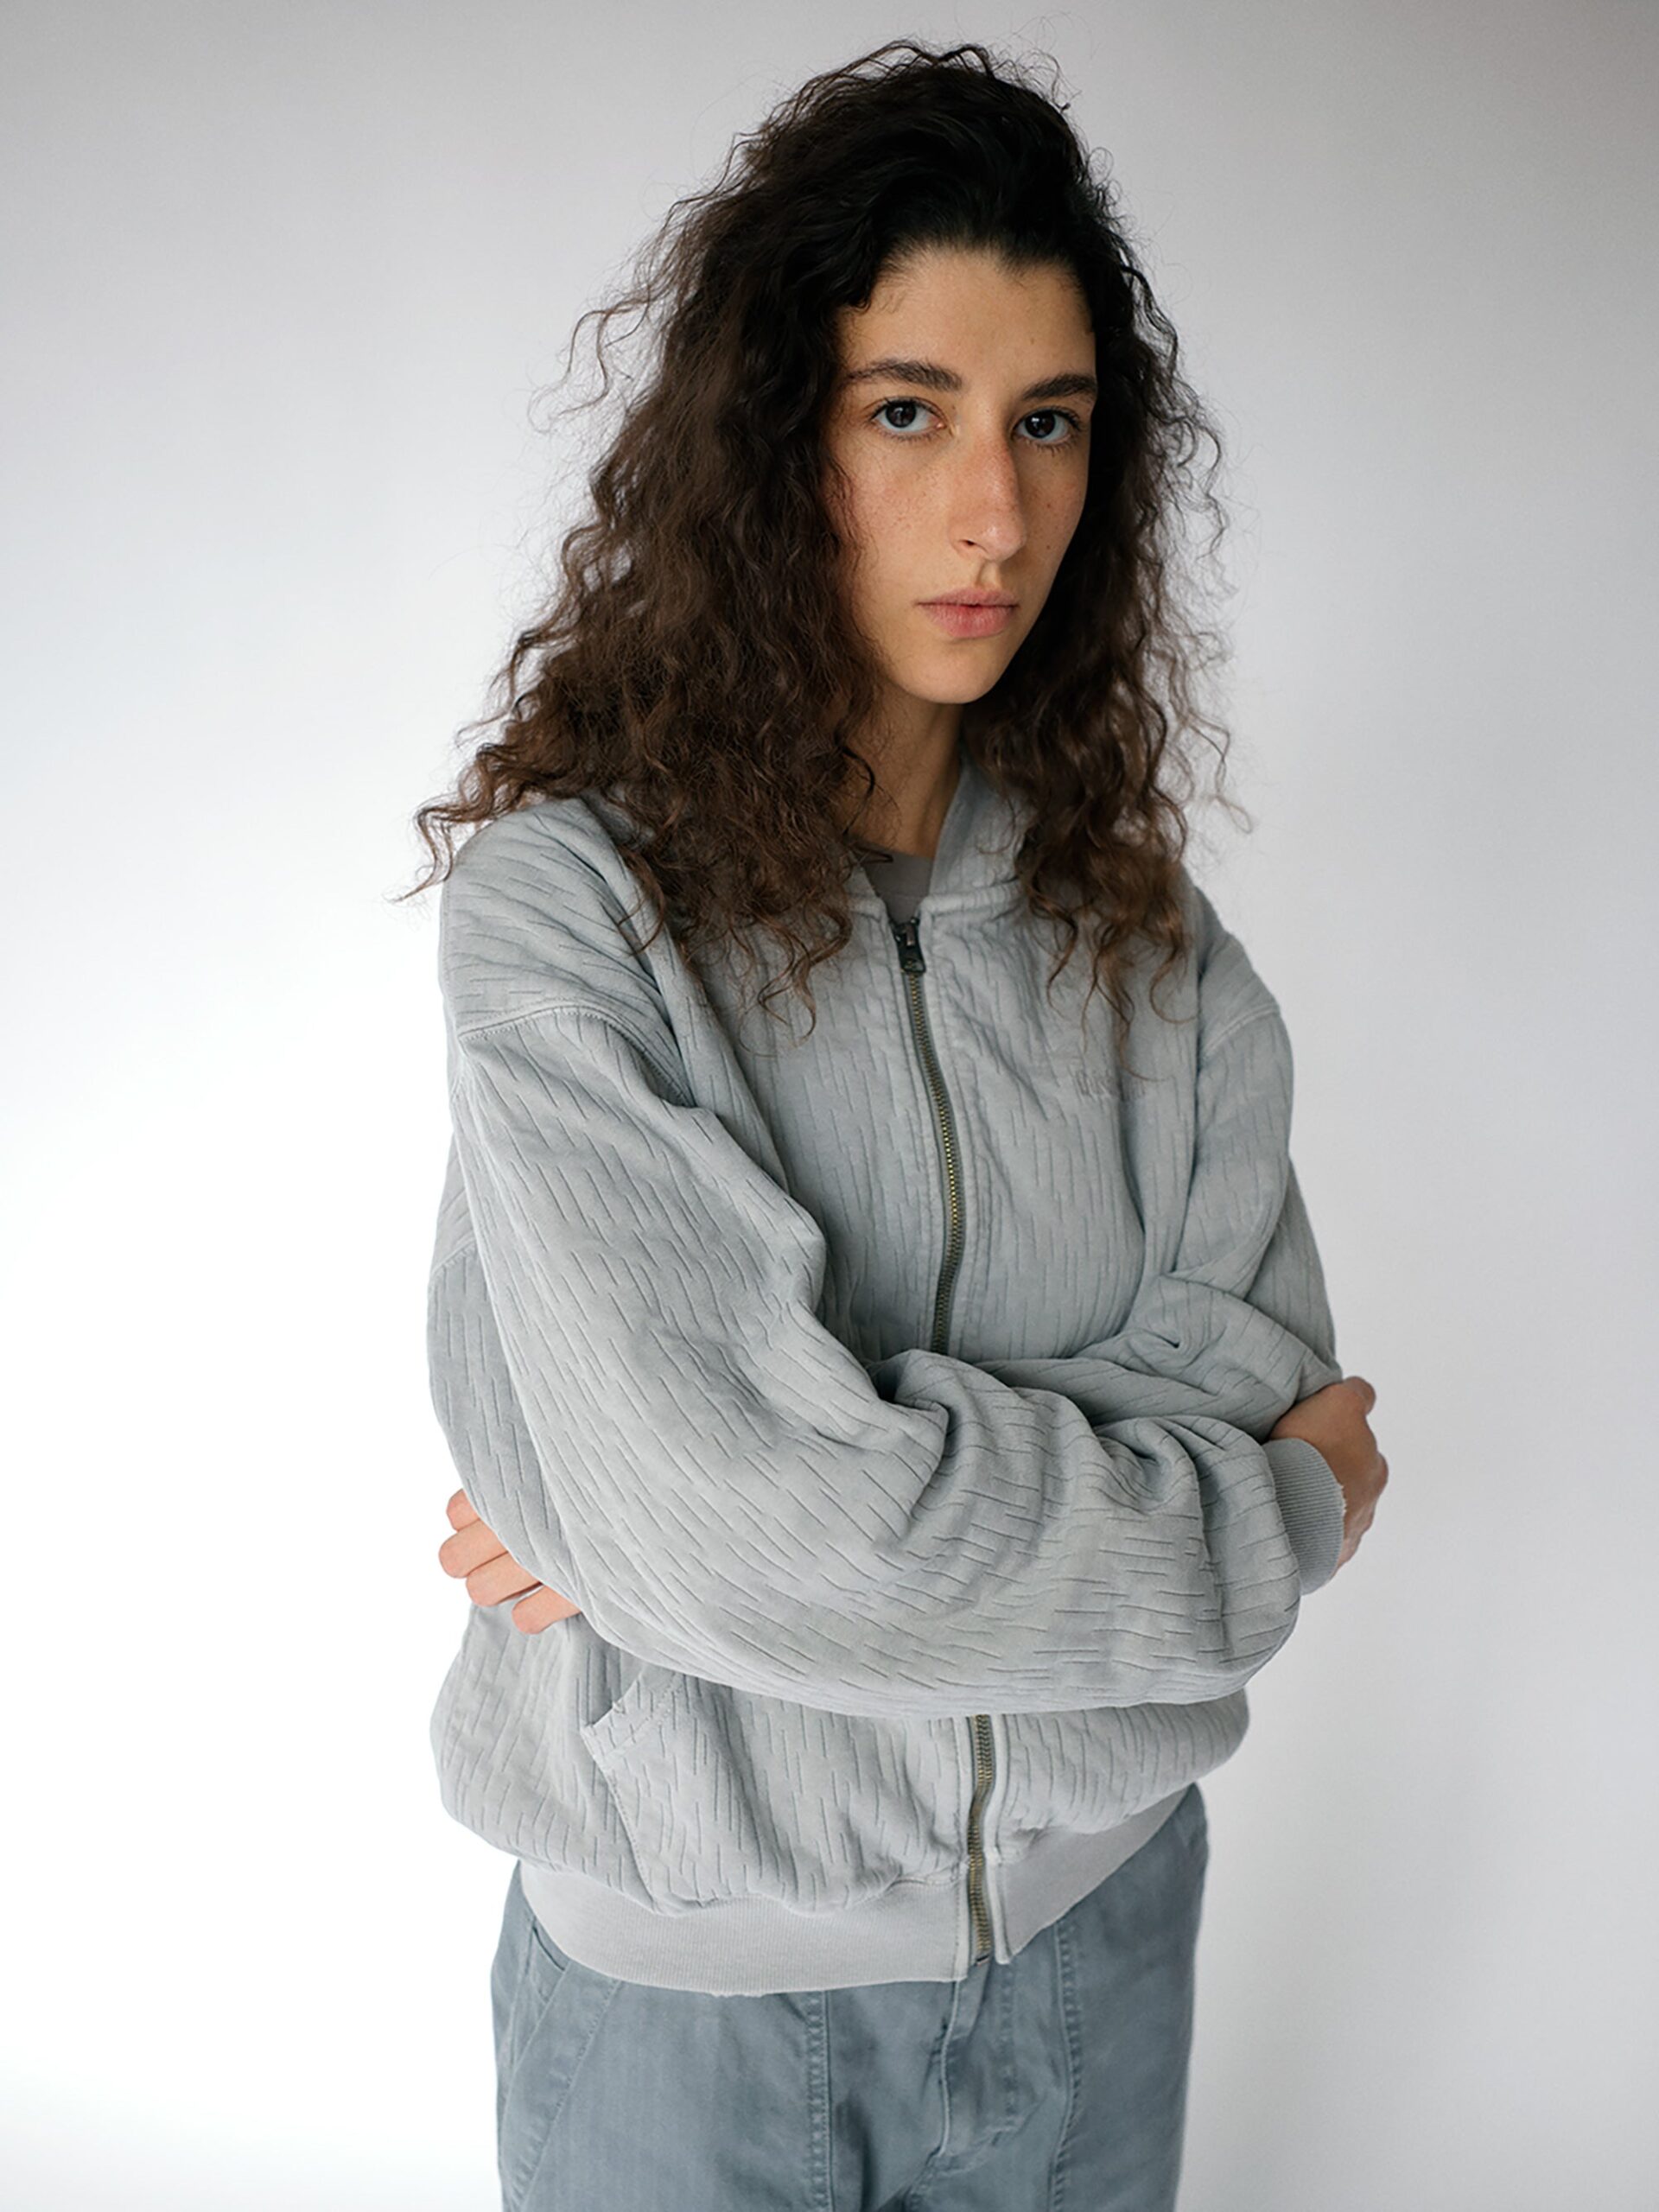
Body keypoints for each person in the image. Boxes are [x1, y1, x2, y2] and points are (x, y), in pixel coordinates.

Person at [404, 36, 1387, 2212]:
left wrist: (684, 1508)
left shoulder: (1160, 949)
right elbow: (760, 1526)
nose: (996, 514)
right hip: (684, 2019)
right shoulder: (571, 912)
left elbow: (1222, 1368)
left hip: (1100, 1945)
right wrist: (1277, 1511)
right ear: (777, 441)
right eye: (908, 411)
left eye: (1050, 421)